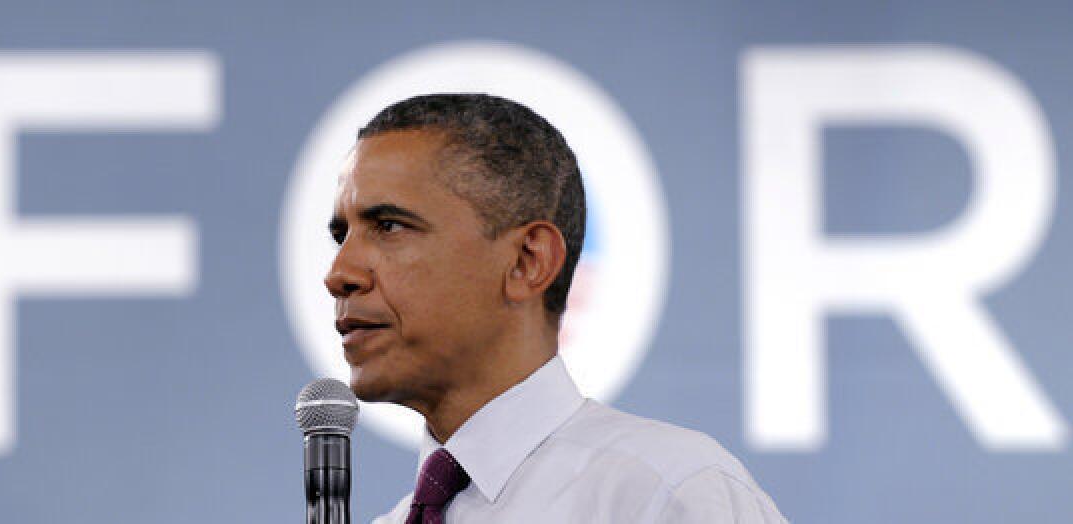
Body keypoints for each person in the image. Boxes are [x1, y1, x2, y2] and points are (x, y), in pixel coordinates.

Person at [324, 93, 786, 523]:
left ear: (528, 261)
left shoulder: (665, 494)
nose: (338, 273)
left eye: (389, 226)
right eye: (342, 235)